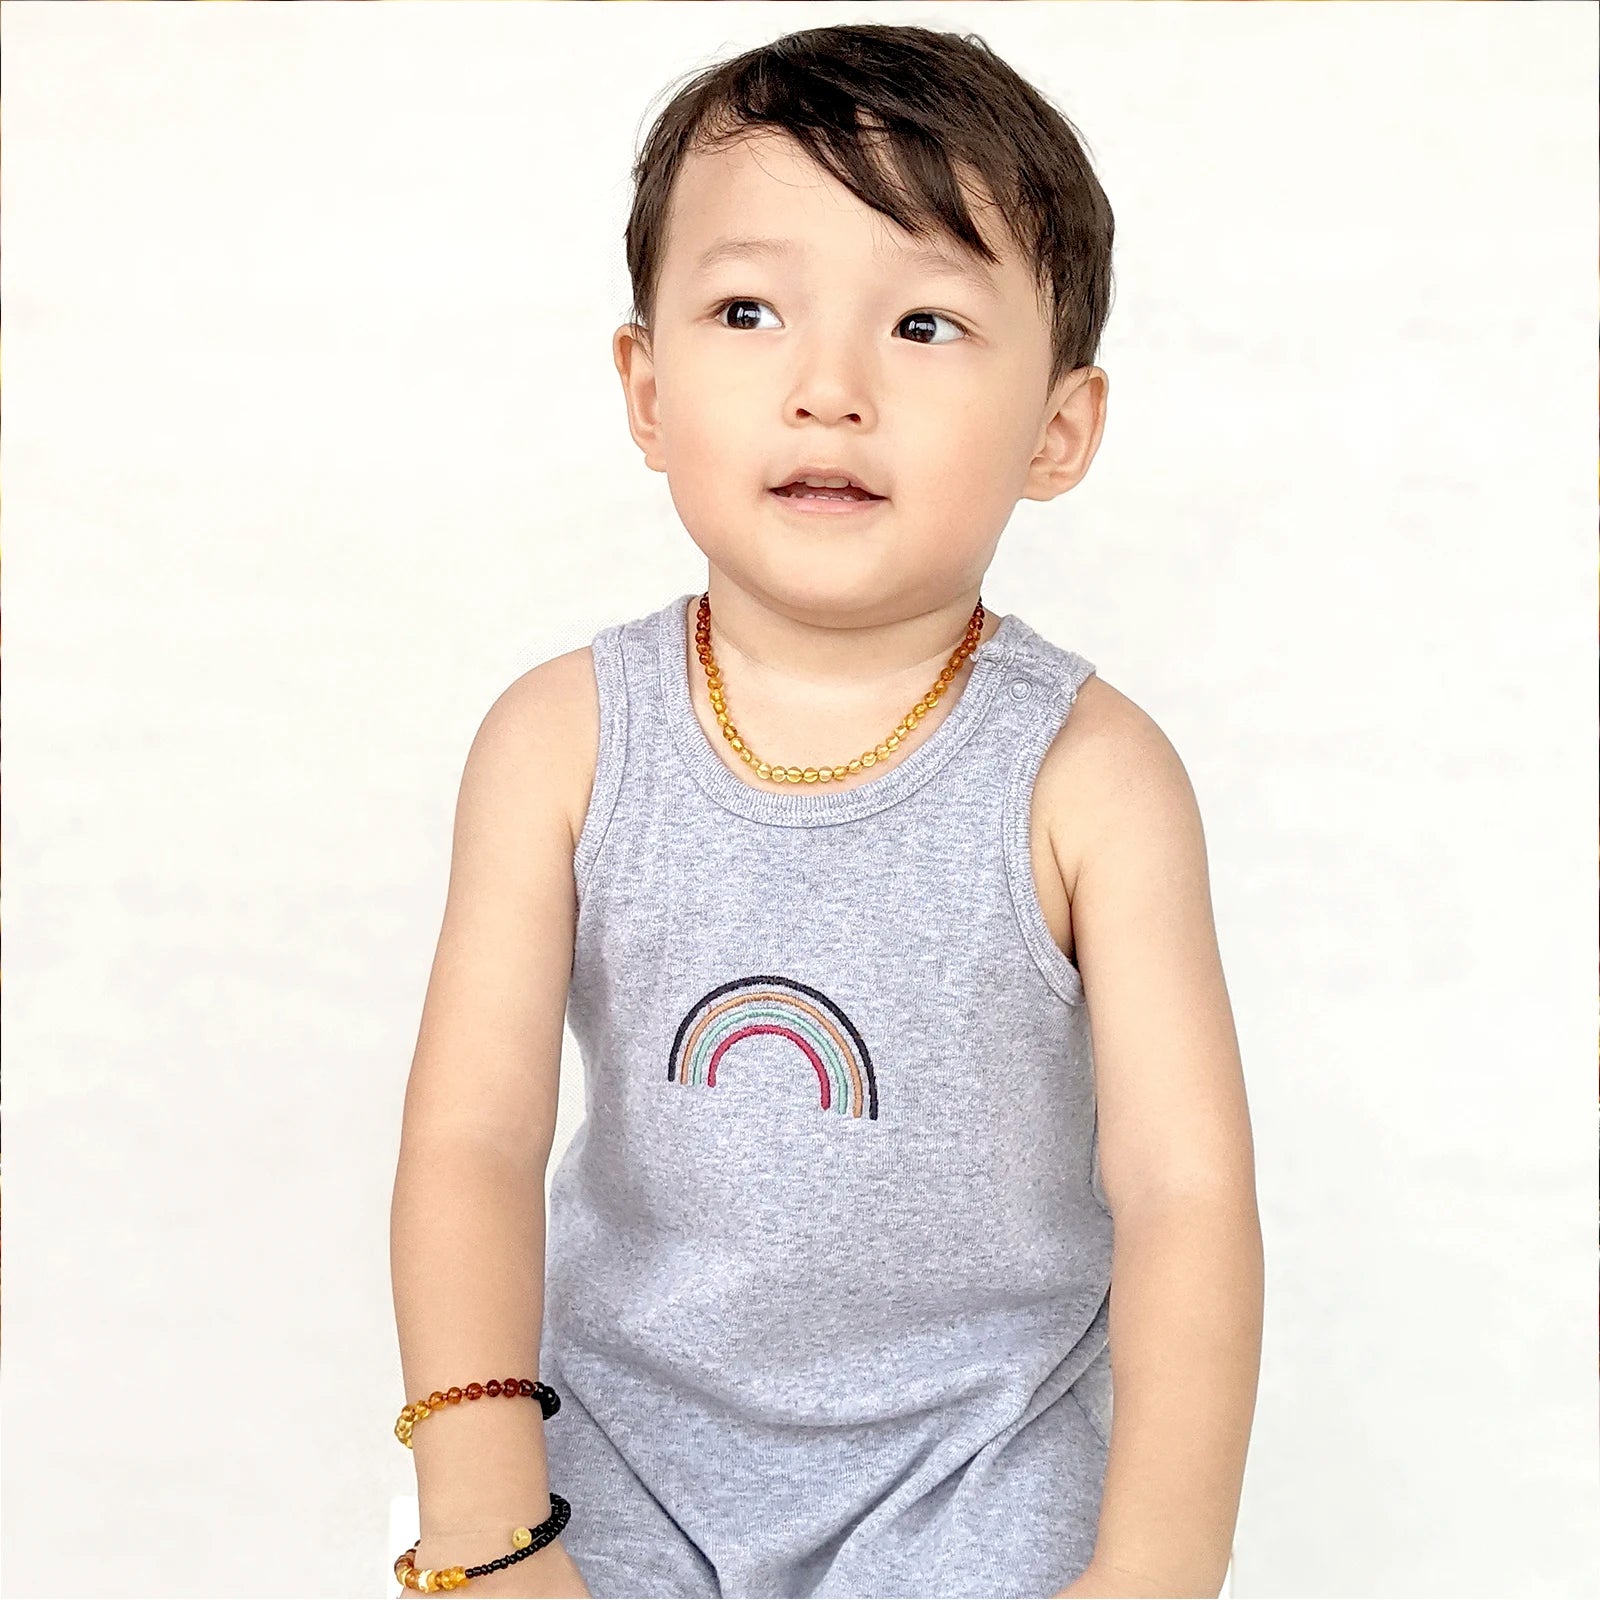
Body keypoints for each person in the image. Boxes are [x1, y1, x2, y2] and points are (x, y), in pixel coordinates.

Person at [392, 22, 1262, 1600]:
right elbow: (473, 1139)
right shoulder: (562, 742)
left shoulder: (1091, 777)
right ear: (646, 390)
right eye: (748, 311)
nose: (829, 390)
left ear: (1058, 428)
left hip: (974, 1465)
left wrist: (1155, 1571)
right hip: (622, 1454)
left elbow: (1185, 1196)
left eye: (925, 322)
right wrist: (484, 1519)